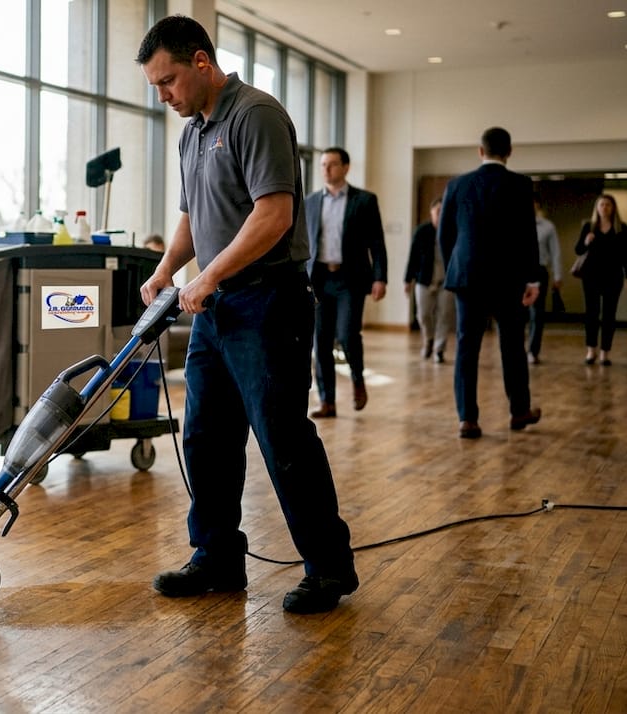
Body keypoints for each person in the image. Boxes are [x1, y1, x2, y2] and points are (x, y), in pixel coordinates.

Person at [135, 15, 357, 614]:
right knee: (206, 435)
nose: (164, 96)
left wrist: (208, 274)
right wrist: (168, 270)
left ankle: (328, 569)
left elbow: (273, 216)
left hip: (268, 299)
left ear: (202, 62)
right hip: (215, 306)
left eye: (169, 81)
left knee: (282, 435)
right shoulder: (192, 131)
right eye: (156, 86)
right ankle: (216, 557)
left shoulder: (253, 115)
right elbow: (193, 218)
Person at [438, 127, 542, 439]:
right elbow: (528, 235)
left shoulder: (457, 184)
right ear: (509, 152)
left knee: (467, 347)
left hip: (467, 277)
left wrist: (454, 269)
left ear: (480, 151)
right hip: (508, 278)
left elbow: (445, 235)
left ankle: (467, 419)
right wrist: (532, 277)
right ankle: (519, 411)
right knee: (512, 346)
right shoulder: (521, 184)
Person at [304, 147, 388, 418]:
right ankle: (327, 401)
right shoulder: (311, 202)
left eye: (332, 164)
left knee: (348, 335)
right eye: (323, 165)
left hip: (349, 278)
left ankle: (357, 378)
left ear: (346, 167)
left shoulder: (364, 200)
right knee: (321, 341)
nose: (326, 169)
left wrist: (380, 278)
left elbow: (377, 242)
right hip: (318, 278)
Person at [573, 194, 627, 366]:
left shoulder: (622, 228)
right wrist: (586, 241)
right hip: (591, 276)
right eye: (601, 204)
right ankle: (591, 350)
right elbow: (578, 250)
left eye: (608, 205)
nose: (604, 208)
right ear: (597, 208)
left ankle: (605, 353)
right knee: (592, 313)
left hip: (613, 276)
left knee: (609, 315)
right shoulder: (589, 226)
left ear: (613, 208)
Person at [403, 197, 454, 362]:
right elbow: (412, 256)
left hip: (446, 282)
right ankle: (429, 339)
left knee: (444, 315)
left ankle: (439, 350)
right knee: (423, 315)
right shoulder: (421, 231)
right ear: (431, 212)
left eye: (443, 211)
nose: (441, 215)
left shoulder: (452, 231)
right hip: (424, 280)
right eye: (437, 211)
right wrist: (407, 280)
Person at [528, 200, 562, 364]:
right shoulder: (513, 223)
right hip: (518, 271)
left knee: (537, 313)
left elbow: (555, 252)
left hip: (539, 270)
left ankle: (533, 351)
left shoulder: (548, 227)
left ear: (538, 206)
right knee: (515, 313)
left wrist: (558, 276)